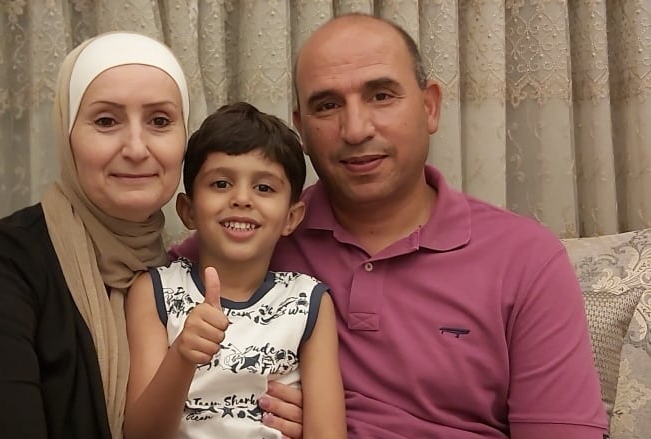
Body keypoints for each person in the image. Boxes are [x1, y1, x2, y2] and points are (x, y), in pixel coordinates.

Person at [172, 14, 609, 439]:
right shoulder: (257, 232)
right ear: (301, 129)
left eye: (381, 96)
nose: (356, 129)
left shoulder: (526, 259)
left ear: (429, 106)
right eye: (327, 105)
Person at [0, 32, 298, 439]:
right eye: (106, 121)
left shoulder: (176, 278)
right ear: (67, 137)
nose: (137, 148)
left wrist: (265, 410)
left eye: (159, 121)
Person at [124, 102, 347, 438]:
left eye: (264, 188)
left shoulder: (309, 302)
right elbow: (140, 434)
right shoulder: (154, 291)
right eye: (221, 184)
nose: (242, 199)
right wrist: (183, 355)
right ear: (188, 210)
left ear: (291, 217)